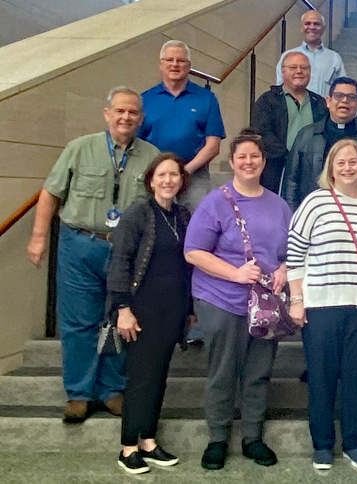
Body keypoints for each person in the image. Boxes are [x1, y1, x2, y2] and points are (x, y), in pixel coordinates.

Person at [27, 86, 160, 424]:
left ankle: (112, 390)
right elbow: (50, 193)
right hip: (80, 245)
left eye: (133, 113)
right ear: (107, 114)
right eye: (120, 111)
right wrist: (39, 238)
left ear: (141, 119)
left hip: (126, 250)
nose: (126, 117)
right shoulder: (79, 148)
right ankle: (78, 393)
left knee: (121, 320)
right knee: (78, 323)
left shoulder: (152, 156)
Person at [184, 129, 293, 470]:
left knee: (259, 371)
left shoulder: (279, 205)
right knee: (223, 371)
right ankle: (218, 438)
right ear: (231, 162)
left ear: (264, 162)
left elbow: (292, 251)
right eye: (242, 156)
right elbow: (193, 252)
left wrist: (285, 271)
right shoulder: (216, 201)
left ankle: (252, 437)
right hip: (221, 298)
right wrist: (234, 274)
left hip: (265, 305)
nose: (249, 162)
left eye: (255, 157)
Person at [286, 139, 357, 471]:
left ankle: (355, 444)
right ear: (330, 168)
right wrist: (297, 299)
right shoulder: (315, 202)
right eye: (341, 163)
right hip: (320, 305)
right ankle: (321, 446)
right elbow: (295, 252)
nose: (348, 168)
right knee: (321, 378)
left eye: (354, 162)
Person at [108, 153, 192, 474]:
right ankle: (128, 446)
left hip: (172, 311)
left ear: (182, 181)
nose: (168, 180)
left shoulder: (183, 215)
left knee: (158, 378)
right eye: (162, 175)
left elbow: (189, 267)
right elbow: (120, 262)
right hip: (140, 310)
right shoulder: (138, 214)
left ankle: (149, 443)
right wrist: (122, 309)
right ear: (151, 180)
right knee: (141, 378)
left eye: (174, 175)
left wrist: (191, 309)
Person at [140, 40, 226, 213]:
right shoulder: (145, 99)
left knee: (198, 226)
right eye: (169, 60)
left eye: (180, 61)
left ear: (189, 66)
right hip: (156, 176)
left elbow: (213, 146)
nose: (174, 64)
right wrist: (164, 174)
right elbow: (138, 143)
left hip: (194, 175)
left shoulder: (206, 98)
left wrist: (183, 172)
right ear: (161, 64)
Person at [283, 78, 357, 211]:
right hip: (316, 212)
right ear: (328, 101)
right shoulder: (306, 136)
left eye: (351, 97)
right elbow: (291, 182)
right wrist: (294, 216)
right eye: (339, 96)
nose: (344, 101)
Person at [252, 51, 327, 193]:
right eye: (293, 68)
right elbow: (261, 132)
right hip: (276, 171)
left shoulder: (320, 103)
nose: (299, 71)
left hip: (313, 172)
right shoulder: (268, 101)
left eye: (304, 68)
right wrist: (290, 157)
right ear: (282, 71)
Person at [285, 10, 346, 96]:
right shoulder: (288, 57)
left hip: (324, 108)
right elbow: (281, 87)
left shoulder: (334, 58)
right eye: (307, 24)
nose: (312, 27)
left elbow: (342, 89)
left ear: (323, 28)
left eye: (316, 24)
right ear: (301, 27)